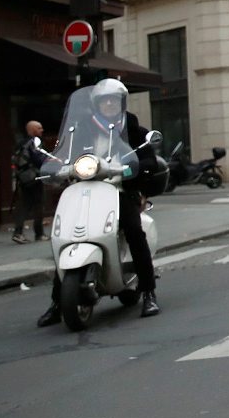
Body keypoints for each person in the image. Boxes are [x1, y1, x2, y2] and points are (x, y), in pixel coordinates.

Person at [38, 79, 164, 323]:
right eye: (104, 100)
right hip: (83, 188)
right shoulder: (82, 128)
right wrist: (54, 165)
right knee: (67, 235)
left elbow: (148, 160)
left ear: (121, 103)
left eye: (113, 100)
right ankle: (57, 302)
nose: (109, 104)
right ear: (96, 103)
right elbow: (63, 152)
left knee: (134, 231)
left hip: (117, 189)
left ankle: (148, 291)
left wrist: (131, 170)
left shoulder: (133, 128)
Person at [10, 119, 46, 243]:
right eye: (39, 128)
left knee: (23, 205)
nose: (42, 130)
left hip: (23, 178)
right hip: (35, 177)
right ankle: (39, 233)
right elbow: (38, 159)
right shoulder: (35, 142)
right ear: (32, 130)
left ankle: (18, 232)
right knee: (38, 205)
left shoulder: (20, 143)